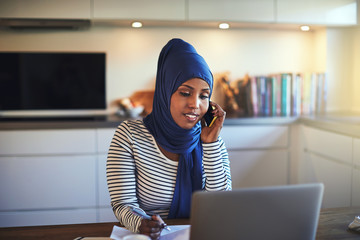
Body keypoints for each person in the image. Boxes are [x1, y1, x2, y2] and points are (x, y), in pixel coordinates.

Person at [107, 38, 232, 240]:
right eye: (185, 93)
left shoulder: (211, 136)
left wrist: (211, 145)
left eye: (203, 96)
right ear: (165, 91)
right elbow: (124, 204)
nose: (195, 104)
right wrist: (142, 224)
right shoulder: (130, 135)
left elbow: (221, 206)